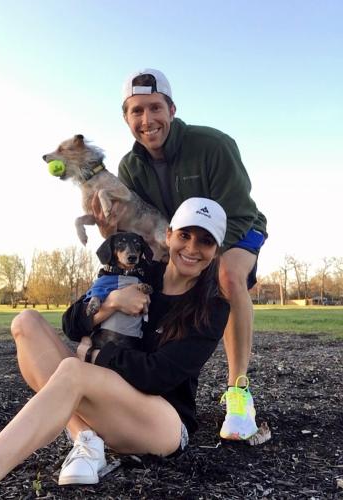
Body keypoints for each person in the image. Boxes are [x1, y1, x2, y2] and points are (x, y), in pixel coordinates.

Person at [0, 197, 230, 500]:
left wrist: (96, 355)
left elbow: (158, 375)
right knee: (27, 323)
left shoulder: (212, 307)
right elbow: (72, 324)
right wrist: (111, 304)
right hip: (105, 397)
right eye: (185, 235)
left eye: (206, 241)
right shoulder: (139, 272)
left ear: (215, 251)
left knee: (74, 370)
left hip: (163, 423)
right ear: (169, 235)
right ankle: (87, 440)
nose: (192, 248)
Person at [93, 68, 267, 441]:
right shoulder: (130, 166)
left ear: (172, 109)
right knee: (150, 278)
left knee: (225, 276)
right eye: (136, 111)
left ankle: (239, 394)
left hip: (237, 226)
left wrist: (202, 256)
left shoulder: (214, 145)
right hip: (180, 236)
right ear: (126, 117)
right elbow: (144, 226)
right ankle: (145, 374)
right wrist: (111, 231)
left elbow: (239, 210)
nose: (147, 120)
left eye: (155, 108)